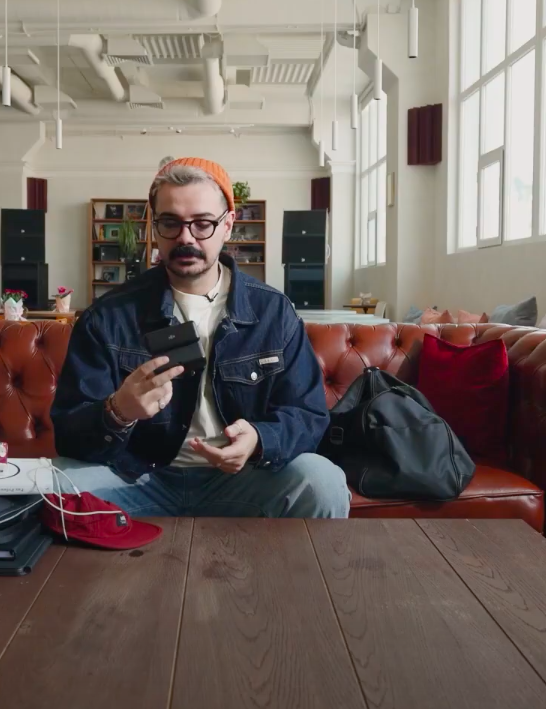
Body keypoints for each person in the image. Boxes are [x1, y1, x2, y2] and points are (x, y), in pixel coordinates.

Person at [50, 157, 347, 518]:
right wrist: (118, 411)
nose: (185, 238)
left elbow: (308, 414)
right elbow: (68, 434)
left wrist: (259, 440)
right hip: (136, 478)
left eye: (203, 224)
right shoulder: (107, 316)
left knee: (322, 482)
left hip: (244, 478)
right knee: (55, 486)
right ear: (154, 226)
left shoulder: (273, 312)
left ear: (228, 225)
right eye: (170, 223)